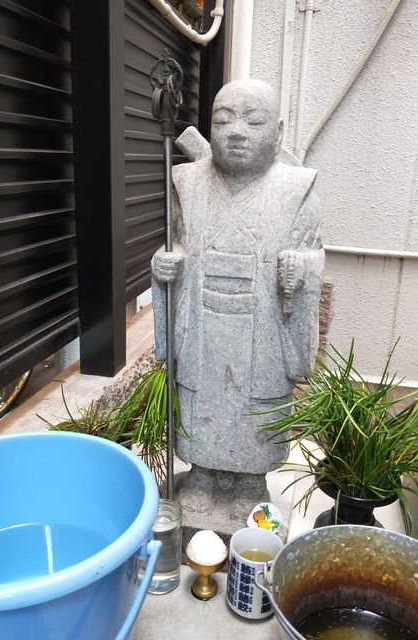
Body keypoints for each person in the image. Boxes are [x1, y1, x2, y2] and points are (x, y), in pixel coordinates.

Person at [151, 79, 324, 510]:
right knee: (202, 395)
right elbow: (178, 244)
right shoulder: (188, 181)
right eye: (223, 120)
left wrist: (300, 267)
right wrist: (167, 264)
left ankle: (250, 481)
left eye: (253, 121)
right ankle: (202, 474)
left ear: (278, 132)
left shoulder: (296, 189)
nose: (236, 132)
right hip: (203, 320)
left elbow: (312, 252)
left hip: (264, 324)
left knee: (257, 401)